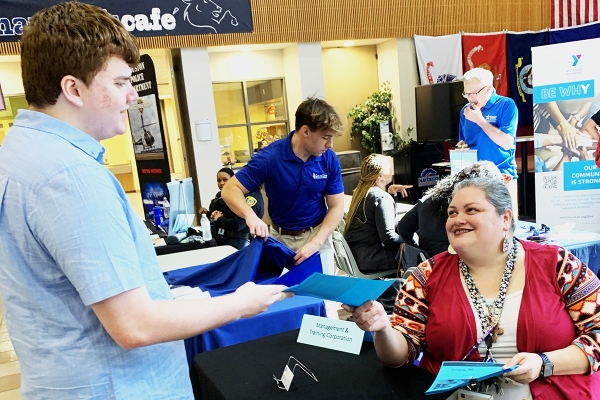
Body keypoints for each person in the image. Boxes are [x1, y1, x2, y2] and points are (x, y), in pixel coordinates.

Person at [0, 3, 289, 398]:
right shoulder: (72, 176)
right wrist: (240, 303)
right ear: (73, 88)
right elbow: (135, 325)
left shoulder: (19, 150)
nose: (132, 95)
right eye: (119, 83)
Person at [344, 177, 600, 399]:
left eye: (471, 210)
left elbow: (597, 334)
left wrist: (544, 363)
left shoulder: (557, 263)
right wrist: (383, 329)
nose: (458, 219)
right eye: (452, 212)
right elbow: (401, 355)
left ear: (505, 218)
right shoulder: (426, 276)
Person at [221, 97, 345, 275]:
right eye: (326, 137)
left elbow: (336, 207)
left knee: (319, 297)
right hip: (280, 240)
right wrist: (251, 216)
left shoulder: (328, 159)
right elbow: (230, 189)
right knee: (282, 297)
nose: (330, 144)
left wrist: (316, 243)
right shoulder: (270, 158)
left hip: (317, 237)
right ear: (305, 131)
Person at [396, 161, 504, 257]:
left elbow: (403, 228)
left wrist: (420, 252)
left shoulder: (428, 199)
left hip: (429, 263)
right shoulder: (470, 203)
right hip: (455, 265)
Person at [458, 67, 518, 216]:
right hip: (473, 179)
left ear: (488, 88)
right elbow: (464, 141)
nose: (470, 98)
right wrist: (461, 146)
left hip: (501, 176)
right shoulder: (466, 111)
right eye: (466, 93)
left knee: (506, 225)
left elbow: (507, 142)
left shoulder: (506, 105)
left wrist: (480, 121)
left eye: (474, 93)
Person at [344, 154, 411, 273]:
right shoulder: (380, 197)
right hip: (371, 258)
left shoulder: (362, 193)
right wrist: (413, 242)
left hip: (358, 256)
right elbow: (388, 237)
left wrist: (390, 194)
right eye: (389, 168)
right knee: (419, 253)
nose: (392, 171)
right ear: (380, 175)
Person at [200, 167, 264, 249]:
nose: (221, 183)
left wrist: (219, 219)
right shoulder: (228, 194)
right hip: (224, 240)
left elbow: (238, 224)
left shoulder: (251, 198)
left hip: (238, 243)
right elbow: (226, 214)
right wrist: (209, 214)